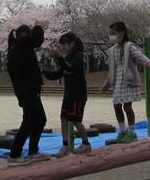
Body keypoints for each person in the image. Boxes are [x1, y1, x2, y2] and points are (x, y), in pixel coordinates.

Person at [101, 21, 150, 143]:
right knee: (116, 105)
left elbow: (140, 56)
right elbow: (112, 69)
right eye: (110, 33)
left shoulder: (129, 46)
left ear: (122, 33)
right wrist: (107, 83)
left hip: (128, 81)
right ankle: (122, 131)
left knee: (127, 106)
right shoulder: (112, 50)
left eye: (113, 33)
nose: (111, 35)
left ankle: (132, 132)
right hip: (118, 82)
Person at [42, 32, 91, 157]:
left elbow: (70, 67)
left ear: (72, 44)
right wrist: (43, 70)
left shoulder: (78, 56)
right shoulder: (66, 58)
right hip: (68, 94)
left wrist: (59, 58)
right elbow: (57, 74)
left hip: (78, 94)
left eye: (64, 44)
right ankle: (65, 146)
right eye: (61, 44)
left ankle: (86, 144)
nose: (62, 47)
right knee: (64, 118)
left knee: (75, 120)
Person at [7, 22, 49, 165]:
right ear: (24, 36)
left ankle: (32, 151)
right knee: (29, 121)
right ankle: (14, 155)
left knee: (40, 119)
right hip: (27, 90)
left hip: (28, 89)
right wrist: (38, 26)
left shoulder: (18, 48)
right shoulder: (20, 44)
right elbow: (37, 40)